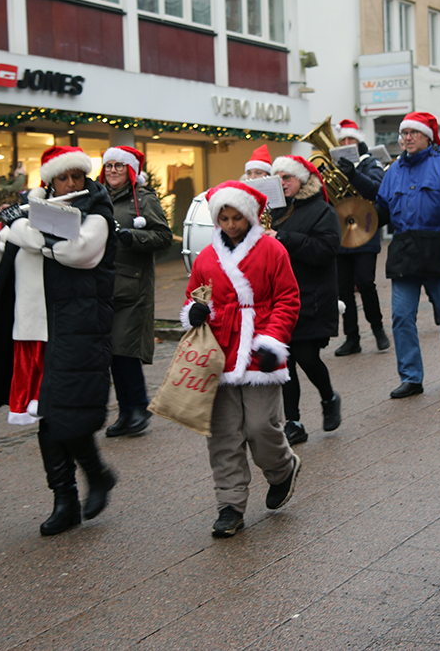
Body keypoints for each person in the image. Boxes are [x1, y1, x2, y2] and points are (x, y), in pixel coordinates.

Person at [0, 145, 117, 536]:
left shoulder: (96, 213)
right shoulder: (30, 210)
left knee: (63, 413)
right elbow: (0, 263)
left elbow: (76, 252)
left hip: (72, 328)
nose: (70, 183)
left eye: (76, 176)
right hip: (30, 328)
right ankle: (66, 498)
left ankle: (95, 475)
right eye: (62, 177)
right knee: (47, 416)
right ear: (49, 181)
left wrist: (20, 225)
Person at [183, 181, 301, 537]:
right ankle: (230, 505)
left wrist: (272, 342)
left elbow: (287, 299)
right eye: (224, 218)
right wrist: (195, 311)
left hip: (259, 351)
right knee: (223, 434)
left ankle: (282, 469)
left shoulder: (272, 250)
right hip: (218, 355)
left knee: (261, 426)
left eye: (237, 218)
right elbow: (195, 296)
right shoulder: (206, 257)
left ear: (250, 216)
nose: (231, 225)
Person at [376, 111, 440, 398]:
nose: (407, 138)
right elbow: (381, 209)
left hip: (439, 247)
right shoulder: (393, 170)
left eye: (413, 133)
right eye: (404, 133)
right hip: (404, 249)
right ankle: (411, 377)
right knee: (401, 317)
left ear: (427, 137)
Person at [267, 154, 343, 445]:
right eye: (278, 178)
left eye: (287, 177)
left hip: (311, 297)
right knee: (284, 362)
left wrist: (281, 237)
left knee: (307, 357)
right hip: (280, 299)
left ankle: (329, 397)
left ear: (301, 179)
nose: (283, 183)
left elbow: (325, 249)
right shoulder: (273, 210)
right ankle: (293, 422)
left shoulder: (323, 210)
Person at [100, 146, 173, 438]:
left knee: (124, 350)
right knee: (113, 353)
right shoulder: (98, 198)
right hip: (105, 286)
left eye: (119, 165)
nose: (113, 170)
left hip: (133, 287)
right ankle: (126, 412)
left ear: (130, 170)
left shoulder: (143, 199)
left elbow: (164, 236)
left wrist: (133, 236)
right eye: (108, 165)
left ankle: (139, 409)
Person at [332, 118, 389, 356]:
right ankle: (352, 338)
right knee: (344, 290)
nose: (347, 143)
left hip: (365, 230)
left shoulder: (370, 163)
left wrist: (353, 175)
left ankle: (378, 329)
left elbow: (377, 190)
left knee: (365, 283)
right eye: (343, 140)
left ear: (358, 142)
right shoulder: (333, 166)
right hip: (342, 233)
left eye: (351, 140)